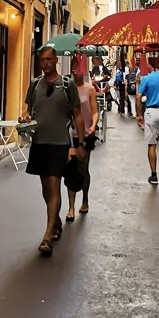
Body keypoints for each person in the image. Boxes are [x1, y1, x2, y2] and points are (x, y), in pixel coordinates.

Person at [23, 47, 87, 256]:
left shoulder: (67, 85)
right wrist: (24, 120)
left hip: (59, 144)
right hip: (39, 143)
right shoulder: (34, 85)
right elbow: (29, 111)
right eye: (43, 60)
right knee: (46, 190)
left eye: (49, 59)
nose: (46, 63)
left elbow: (77, 115)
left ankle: (47, 236)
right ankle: (56, 222)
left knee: (53, 186)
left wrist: (80, 143)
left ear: (56, 60)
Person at [65, 70, 99, 222]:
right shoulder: (67, 89)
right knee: (71, 169)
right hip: (70, 134)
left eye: (79, 70)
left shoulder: (90, 89)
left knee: (83, 169)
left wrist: (93, 125)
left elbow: (94, 112)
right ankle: (71, 207)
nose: (77, 73)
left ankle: (85, 199)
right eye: (74, 69)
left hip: (86, 134)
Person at [136, 55, 159, 185]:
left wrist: (139, 114)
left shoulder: (147, 78)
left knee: (151, 144)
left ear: (150, 65)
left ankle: (154, 174)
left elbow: (138, 96)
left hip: (150, 111)